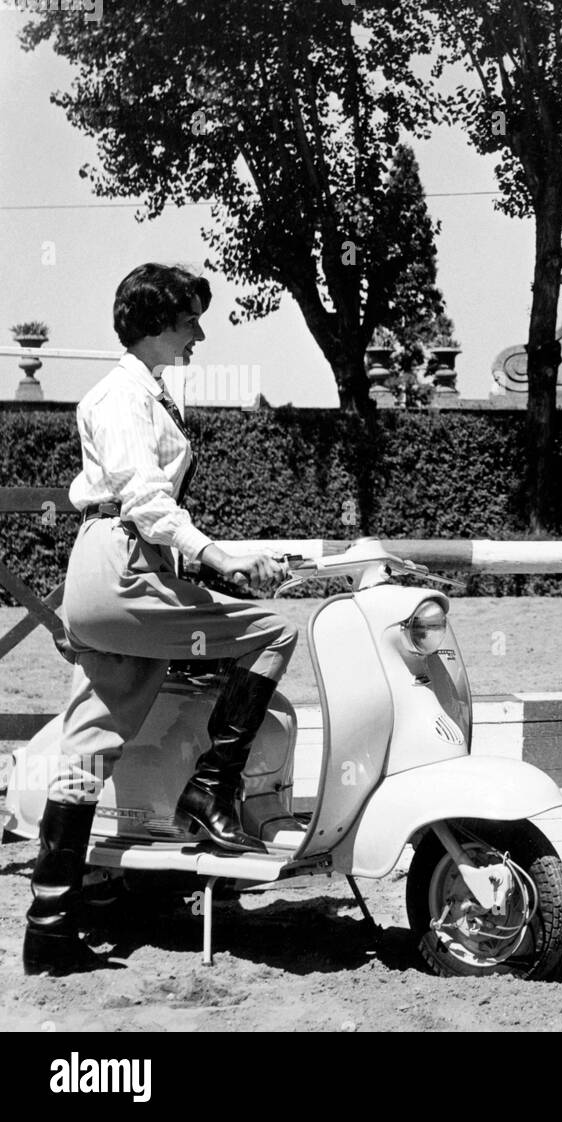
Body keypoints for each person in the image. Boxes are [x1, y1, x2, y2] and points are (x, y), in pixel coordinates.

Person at [24, 263, 298, 976]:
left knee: (91, 737)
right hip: (122, 564)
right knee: (273, 632)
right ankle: (209, 790)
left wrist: (203, 561)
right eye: (188, 322)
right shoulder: (123, 398)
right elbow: (144, 500)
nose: (199, 334)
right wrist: (220, 557)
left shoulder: (142, 393)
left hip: (114, 567)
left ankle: (49, 925)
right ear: (153, 326)